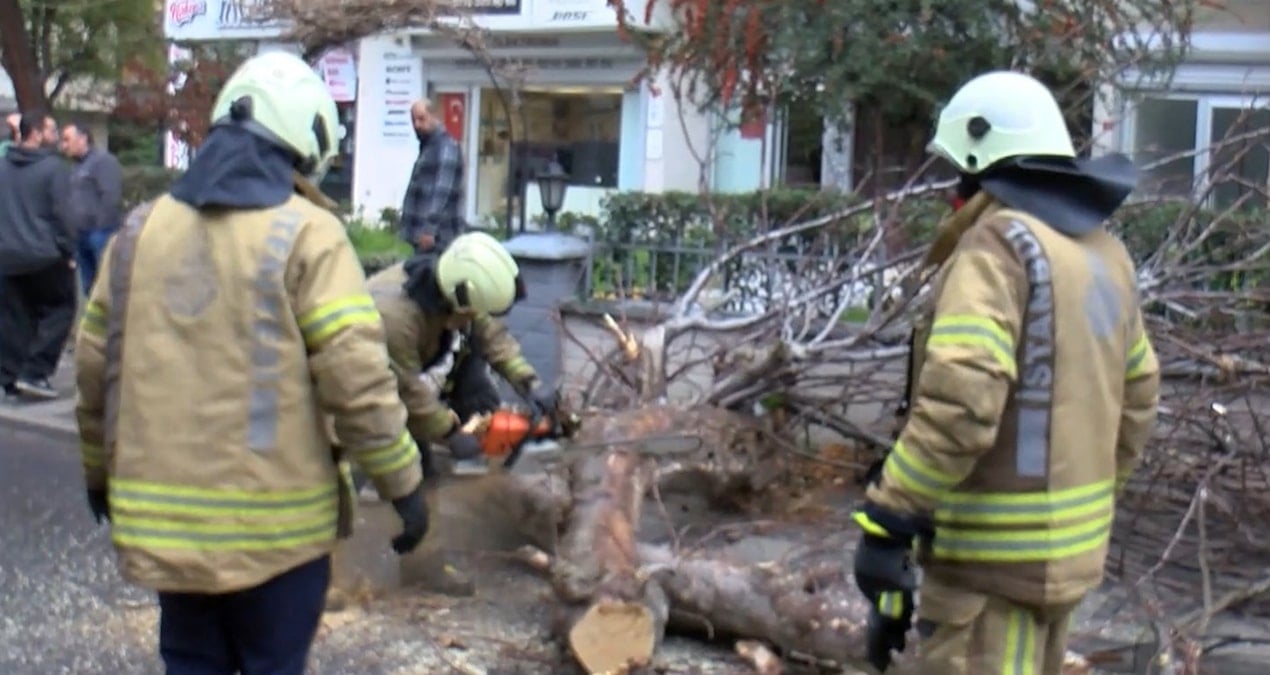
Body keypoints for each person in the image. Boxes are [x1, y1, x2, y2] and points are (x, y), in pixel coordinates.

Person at [74, 51, 429, 675]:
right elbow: (357, 381)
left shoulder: (139, 231)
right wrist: (403, 484)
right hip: (277, 538)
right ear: (306, 141)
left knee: (191, 663)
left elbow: (94, 369)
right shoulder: (309, 234)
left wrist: (97, 472)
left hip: (167, 531)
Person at [850, 70, 1162, 675]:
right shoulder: (1105, 254)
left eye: (956, 173)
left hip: (985, 574)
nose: (952, 191)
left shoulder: (999, 248)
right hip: (1069, 560)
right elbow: (1140, 398)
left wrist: (889, 519)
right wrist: (1078, 509)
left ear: (978, 159)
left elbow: (961, 406)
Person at [369, 231, 557, 479]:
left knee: (478, 392)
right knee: (409, 468)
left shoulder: (454, 283)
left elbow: (491, 333)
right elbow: (408, 391)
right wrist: (449, 433)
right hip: (365, 391)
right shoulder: (395, 320)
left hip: (411, 370)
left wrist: (529, 382)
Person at [0, 112, 76, 400]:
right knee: (61, 308)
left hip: (8, 255)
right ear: (35, 133)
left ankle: (8, 377)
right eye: (51, 130)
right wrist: (67, 248)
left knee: (15, 318)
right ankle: (34, 371)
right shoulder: (54, 169)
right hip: (45, 255)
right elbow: (64, 213)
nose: (56, 136)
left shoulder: (3, 167)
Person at [61, 121, 123, 295]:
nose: (63, 145)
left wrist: (100, 227)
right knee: (88, 285)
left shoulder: (103, 162)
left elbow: (110, 197)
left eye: (67, 139)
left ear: (82, 139)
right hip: (80, 234)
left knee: (104, 285)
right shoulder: (75, 167)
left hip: (99, 233)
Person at [399, 99, 465, 255]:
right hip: (425, 236)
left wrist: (429, 229)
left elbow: (442, 191)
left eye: (422, 119)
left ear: (434, 116)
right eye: (413, 120)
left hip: (438, 237)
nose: (417, 125)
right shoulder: (429, 146)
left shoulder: (446, 146)